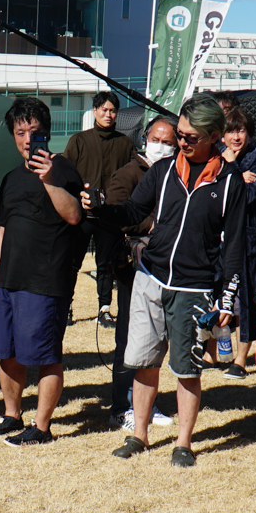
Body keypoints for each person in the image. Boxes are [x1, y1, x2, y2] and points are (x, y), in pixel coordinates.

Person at [96, 95, 248, 467]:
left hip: (194, 289)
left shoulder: (230, 183)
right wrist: (101, 209)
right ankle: (139, 435)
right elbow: (132, 209)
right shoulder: (163, 171)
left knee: (186, 369)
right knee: (143, 362)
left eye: (190, 137)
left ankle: (183, 443)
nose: (181, 142)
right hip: (149, 279)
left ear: (215, 136)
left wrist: (226, 300)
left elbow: (235, 248)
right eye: (179, 134)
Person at [0, 97, 87, 446]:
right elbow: (1, 232)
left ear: (47, 133)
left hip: (44, 281)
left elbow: (73, 216)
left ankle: (41, 427)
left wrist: (49, 180)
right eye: (20, 132)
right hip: (7, 282)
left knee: (44, 355)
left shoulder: (65, 170)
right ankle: (12, 415)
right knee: (6, 352)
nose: (28, 139)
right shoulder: (10, 178)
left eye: (34, 132)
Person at [98, 116, 179, 431]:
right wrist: (152, 226)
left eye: (167, 141)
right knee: (130, 339)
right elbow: (117, 214)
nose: (160, 146)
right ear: (145, 138)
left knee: (154, 340)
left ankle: (144, 403)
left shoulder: (176, 174)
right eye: (156, 139)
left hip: (164, 270)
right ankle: (122, 407)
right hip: (133, 268)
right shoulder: (129, 173)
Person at [64, 90, 135, 328]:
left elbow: (134, 177)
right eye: (103, 109)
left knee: (106, 264)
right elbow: (65, 175)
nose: (108, 114)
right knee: (73, 262)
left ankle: (104, 310)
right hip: (81, 214)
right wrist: (78, 193)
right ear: (94, 111)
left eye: (112, 110)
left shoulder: (125, 143)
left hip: (110, 216)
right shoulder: (79, 140)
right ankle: (66, 306)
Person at [214, 95, 256, 376]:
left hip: (245, 240)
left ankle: (241, 360)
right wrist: (233, 172)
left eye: (241, 130)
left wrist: (233, 169)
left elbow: (245, 196)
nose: (236, 137)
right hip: (215, 237)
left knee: (247, 297)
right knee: (212, 292)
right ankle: (210, 354)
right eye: (231, 131)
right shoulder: (215, 156)